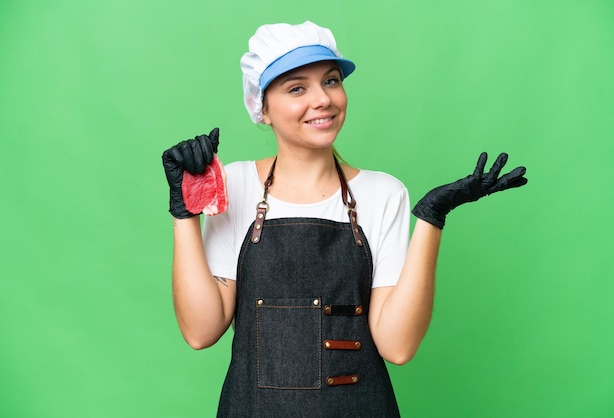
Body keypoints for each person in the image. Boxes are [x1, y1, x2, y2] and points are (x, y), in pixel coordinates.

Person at [161, 21, 527, 417]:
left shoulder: (383, 193)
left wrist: (431, 218)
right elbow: (200, 332)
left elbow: (397, 346)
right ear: (262, 108)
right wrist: (184, 211)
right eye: (297, 88)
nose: (323, 99)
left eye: (331, 81)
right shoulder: (235, 185)